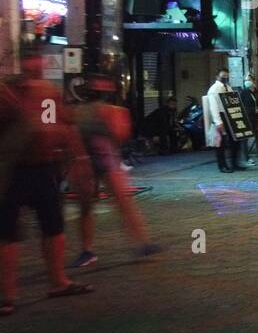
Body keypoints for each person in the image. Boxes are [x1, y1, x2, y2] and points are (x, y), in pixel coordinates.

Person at [0, 48, 93, 313]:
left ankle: (58, 281)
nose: (36, 64)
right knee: (7, 232)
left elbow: (60, 125)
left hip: (44, 167)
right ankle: (7, 295)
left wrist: (76, 158)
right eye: (31, 59)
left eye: (38, 59)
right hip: (14, 169)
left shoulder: (46, 91)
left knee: (53, 226)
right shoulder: (7, 93)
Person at [69, 75, 160, 268]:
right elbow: (73, 136)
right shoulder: (80, 112)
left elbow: (119, 135)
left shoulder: (113, 111)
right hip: (89, 161)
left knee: (123, 203)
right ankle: (86, 251)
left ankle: (142, 243)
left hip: (107, 160)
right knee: (86, 206)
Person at [203, 67, 243, 172]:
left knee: (235, 140)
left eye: (227, 76)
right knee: (220, 143)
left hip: (230, 115)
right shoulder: (214, 89)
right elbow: (213, 107)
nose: (225, 78)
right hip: (220, 116)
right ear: (217, 77)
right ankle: (223, 166)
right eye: (223, 76)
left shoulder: (228, 87)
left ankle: (234, 164)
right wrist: (218, 122)